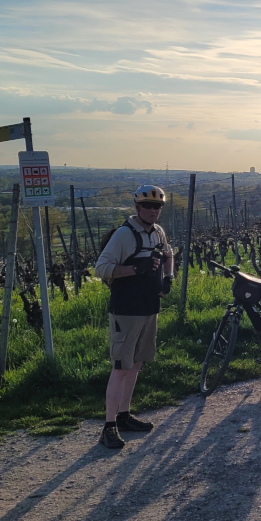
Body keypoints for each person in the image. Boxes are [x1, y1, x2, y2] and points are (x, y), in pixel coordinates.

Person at [94, 184, 175, 449]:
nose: (153, 211)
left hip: (149, 307)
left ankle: (125, 415)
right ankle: (109, 426)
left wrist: (168, 278)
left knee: (136, 364)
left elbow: (168, 253)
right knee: (120, 368)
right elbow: (101, 269)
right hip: (126, 310)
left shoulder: (158, 233)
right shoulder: (124, 235)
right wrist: (133, 268)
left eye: (157, 207)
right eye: (148, 206)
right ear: (137, 208)